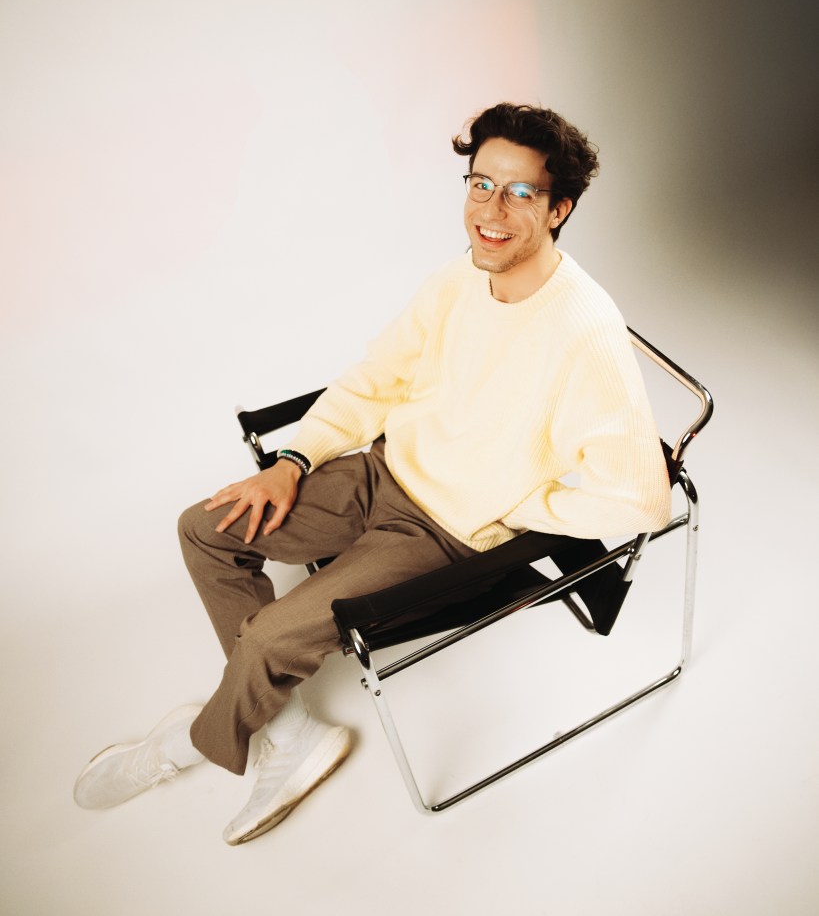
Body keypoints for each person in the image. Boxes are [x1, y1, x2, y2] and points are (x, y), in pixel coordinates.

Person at [73, 103, 672, 844]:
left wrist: (521, 505)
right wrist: (293, 462)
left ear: (559, 209)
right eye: (481, 185)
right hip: (383, 474)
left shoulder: (584, 332)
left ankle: (188, 743)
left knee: (265, 639)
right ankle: (289, 733)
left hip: (448, 537)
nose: (490, 211)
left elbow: (640, 500)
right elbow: (377, 380)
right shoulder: (459, 278)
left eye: (520, 193)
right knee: (205, 529)